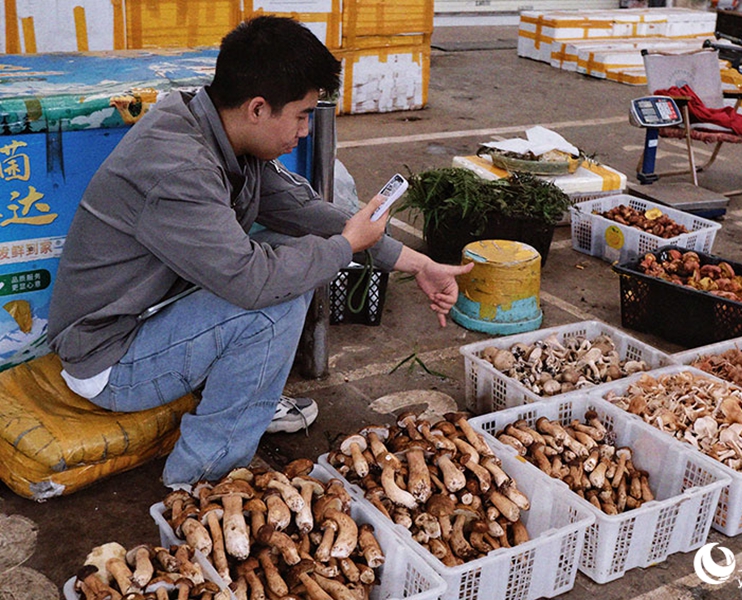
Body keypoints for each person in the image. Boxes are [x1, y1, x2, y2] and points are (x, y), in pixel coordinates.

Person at [47, 15, 473, 487]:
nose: (305, 131)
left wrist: (417, 263)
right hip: (110, 358)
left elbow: (301, 210)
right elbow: (256, 283)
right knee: (275, 298)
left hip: (149, 315)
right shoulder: (179, 167)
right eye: (302, 115)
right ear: (257, 108)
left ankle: (248, 400)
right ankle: (201, 483)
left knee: (293, 255)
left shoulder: (216, 128)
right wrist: (347, 245)